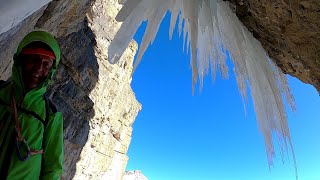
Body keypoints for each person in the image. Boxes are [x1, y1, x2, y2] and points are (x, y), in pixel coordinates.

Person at [0, 31, 64, 179]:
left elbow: (53, 167)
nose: (38, 68)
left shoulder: (50, 114)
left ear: (51, 71)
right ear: (21, 60)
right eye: (33, 59)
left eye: (46, 64)